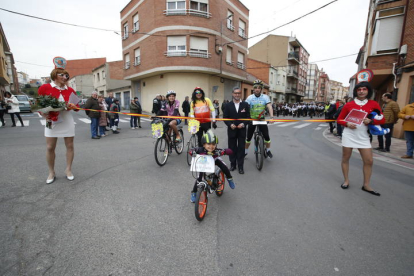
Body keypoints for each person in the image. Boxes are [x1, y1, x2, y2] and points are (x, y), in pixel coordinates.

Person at [336, 82, 384, 196]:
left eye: (364, 89)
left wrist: (372, 121)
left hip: (364, 136)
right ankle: (346, 181)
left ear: (368, 91)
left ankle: (366, 185)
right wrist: (347, 124)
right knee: (345, 158)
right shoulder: (349, 105)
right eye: (359, 89)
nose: (361, 91)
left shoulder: (374, 104)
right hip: (349, 134)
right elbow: (339, 119)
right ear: (356, 91)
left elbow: (382, 119)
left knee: (369, 161)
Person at [37, 60, 79, 184]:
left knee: (70, 146)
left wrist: (73, 106)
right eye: (62, 75)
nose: (64, 77)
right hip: (51, 120)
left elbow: (76, 107)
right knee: (50, 147)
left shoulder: (70, 89)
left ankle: (68, 170)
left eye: (66, 75)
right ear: (55, 75)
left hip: (66, 119)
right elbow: (38, 104)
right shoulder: (45, 87)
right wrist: (43, 113)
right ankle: (51, 172)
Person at [189, 130, 235, 203]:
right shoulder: (200, 149)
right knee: (199, 178)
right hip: (204, 164)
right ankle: (194, 192)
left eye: (213, 144)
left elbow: (230, 151)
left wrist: (223, 151)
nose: (211, 146)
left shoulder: (216, 150)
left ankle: (229, 178)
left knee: (224, 167)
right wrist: (192, 152)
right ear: (204, 144)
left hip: (215, 160)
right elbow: (191, 150)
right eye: (208, 144)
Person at [244, 79, 274, 158]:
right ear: (253, 89)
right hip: (252, 120)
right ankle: (245, 151)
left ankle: (268, 150)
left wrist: (271, 117)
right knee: (248, 138)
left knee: (267, 137)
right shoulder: (250, 97)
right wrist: (245, 118)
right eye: (255, 87)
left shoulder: (265, 97)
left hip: (262, 120)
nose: (257, 89)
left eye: (259, 87)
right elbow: (245, 108)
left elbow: (269, 107)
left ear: (261, 89)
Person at [223, 87, 250, 174]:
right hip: (232, 130)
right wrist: (230, 124)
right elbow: (225, 118)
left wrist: (243, 124)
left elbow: (248, 117)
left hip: (242, 130)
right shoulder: (228, 105)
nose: (237, 95)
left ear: (240, 94)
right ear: (232, 94)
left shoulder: (245, 105)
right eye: (235, 93)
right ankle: (233, 164)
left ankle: (240, 166)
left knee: (241, 148)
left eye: (238, 93)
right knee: (232, 148)